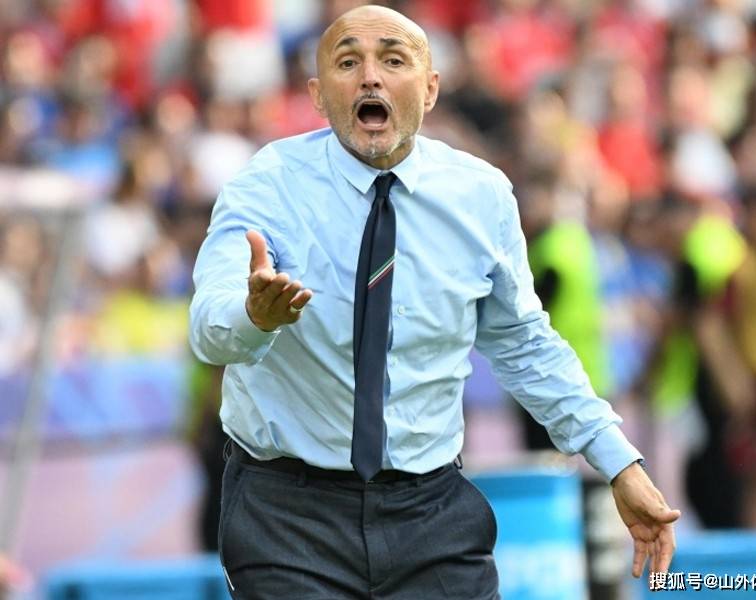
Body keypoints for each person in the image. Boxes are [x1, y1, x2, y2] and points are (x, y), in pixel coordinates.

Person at [189, 6, 679, 599]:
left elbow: (526, 345)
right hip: (288, 514)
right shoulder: (265, 185)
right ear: (318, 95)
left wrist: (619, 461)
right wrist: (253, 318)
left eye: (393, 60)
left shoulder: (481, 196)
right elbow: (208, 327)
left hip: (430, 509)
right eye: (348, 62)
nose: (370, 76)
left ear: (430, 89)